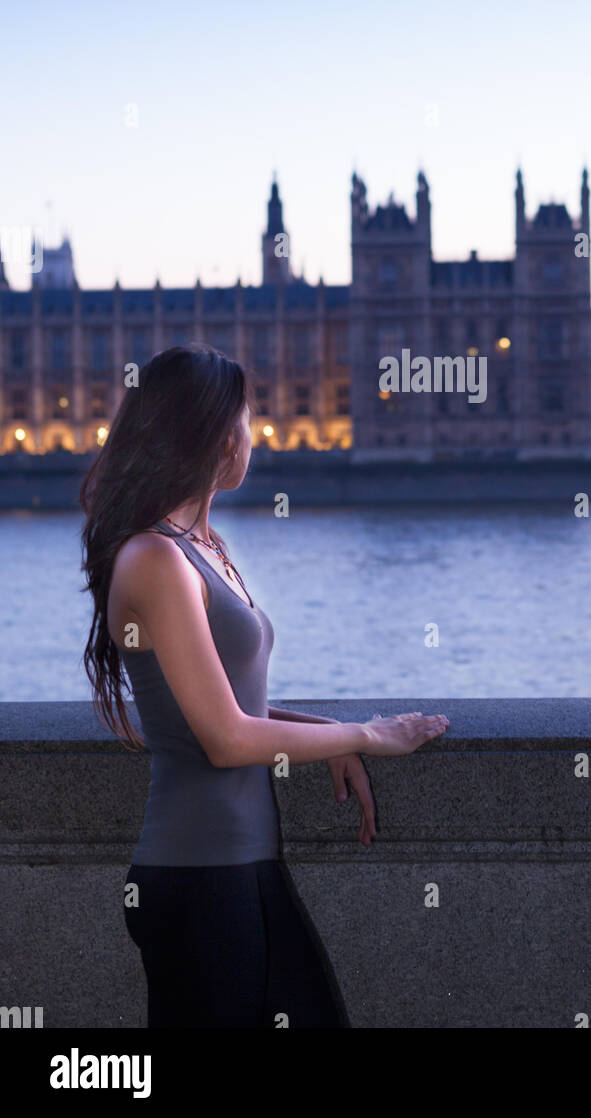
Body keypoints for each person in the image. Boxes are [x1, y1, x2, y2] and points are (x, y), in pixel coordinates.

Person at [79, 344, 449, 1028]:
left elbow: (225, 704)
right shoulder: (157, 558)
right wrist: (367, 734)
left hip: (242, 868)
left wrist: (319, 737)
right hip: (197, 878)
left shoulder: (201, 547)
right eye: (249, 419)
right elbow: (223, 738)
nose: (255, 432)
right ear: (221, 436)